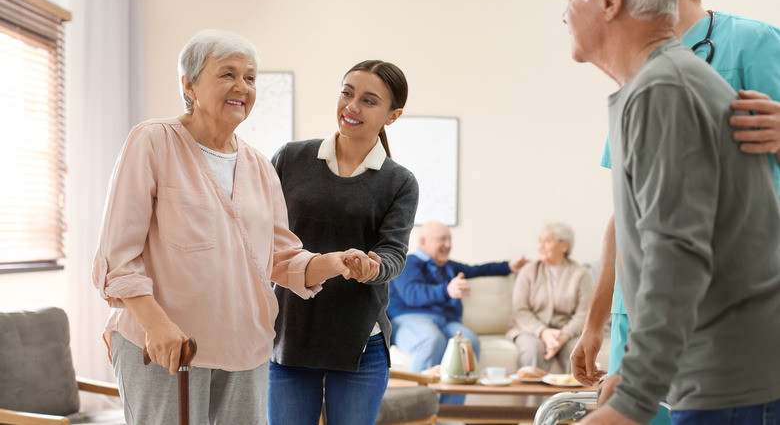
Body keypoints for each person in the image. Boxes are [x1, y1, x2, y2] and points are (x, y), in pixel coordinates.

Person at [91, 30, 377, 425]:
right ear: (188, 84)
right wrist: (156, 326)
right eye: (227, 74)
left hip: (247, 349)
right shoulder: (153, 142)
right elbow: (117, 256)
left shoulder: (260, 165)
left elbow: (280, 257)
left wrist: (335, 262)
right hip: (169, 348)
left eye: (250, 77)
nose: (242, 86)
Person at [562, 0, 780, 424]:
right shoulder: (653, 85)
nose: (563, 11)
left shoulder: (667, 88)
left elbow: (679, 253)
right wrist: (625, 359)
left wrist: (634, 398)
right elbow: (634, 218)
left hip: (722, 366)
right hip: (693, 357)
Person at [267, 60, 419, 425]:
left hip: (360, 341)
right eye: (347, 93)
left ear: (392, 115)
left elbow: (394, 253)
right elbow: (260, 232)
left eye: (369, 100)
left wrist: (373, 265)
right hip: (289, 334)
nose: (351, 107)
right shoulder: (291, 158)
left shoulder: (399, 182)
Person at [388, 221, 527, 404]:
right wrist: (448, 290)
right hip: (409, 319)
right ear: (423, 242)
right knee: (431, 339)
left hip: (445, 321)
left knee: (467, 342)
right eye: (442, 239)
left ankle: (450, 415)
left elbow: (479, 270)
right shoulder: (408, 263)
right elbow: (413, 295)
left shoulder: (449, 267)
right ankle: (418, 407)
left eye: (450, 239)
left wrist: (509, 266)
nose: (448, 245)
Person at [506, 223, 592, 374]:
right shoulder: (528, 272)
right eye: (540, 241)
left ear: (564, 246)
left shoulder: (580, 274)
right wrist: (543, 332)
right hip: (529, 330)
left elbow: (584, 313)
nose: (541, 246)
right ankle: (533, 399)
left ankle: (572, 398)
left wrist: (564, 336)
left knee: (577, 352)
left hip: (566, 332)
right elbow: (520, 310)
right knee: (533, 349)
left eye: (547, 241)